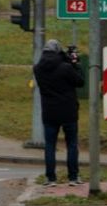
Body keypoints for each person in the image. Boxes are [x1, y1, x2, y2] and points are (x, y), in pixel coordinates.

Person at [32, 39, 84, 187]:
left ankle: (50, 178)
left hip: (49, 112)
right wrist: (75, 64)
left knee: (50, 145)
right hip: (68, 111)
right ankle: (73, 177)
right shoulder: (66, 68)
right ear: (58, 51)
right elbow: (80, 82)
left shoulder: (37, 69)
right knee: (72, 144)